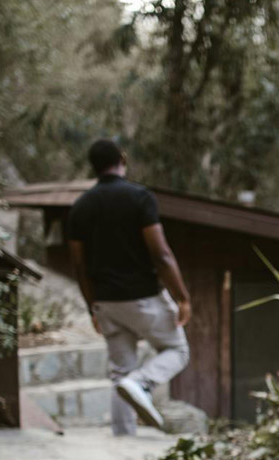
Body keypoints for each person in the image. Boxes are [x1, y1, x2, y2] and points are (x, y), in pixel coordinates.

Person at [68, 138, 192, 435]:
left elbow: (79, 267)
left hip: (106, 302)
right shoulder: (139, 198)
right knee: (177, 350)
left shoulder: (80, 207)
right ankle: (142, 383)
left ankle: (124, 439)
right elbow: (161, 255)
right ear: (122, 160)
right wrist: (182, 297)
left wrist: (92, 308)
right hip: (143, 297)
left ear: (94, 167)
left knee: (120, 374)